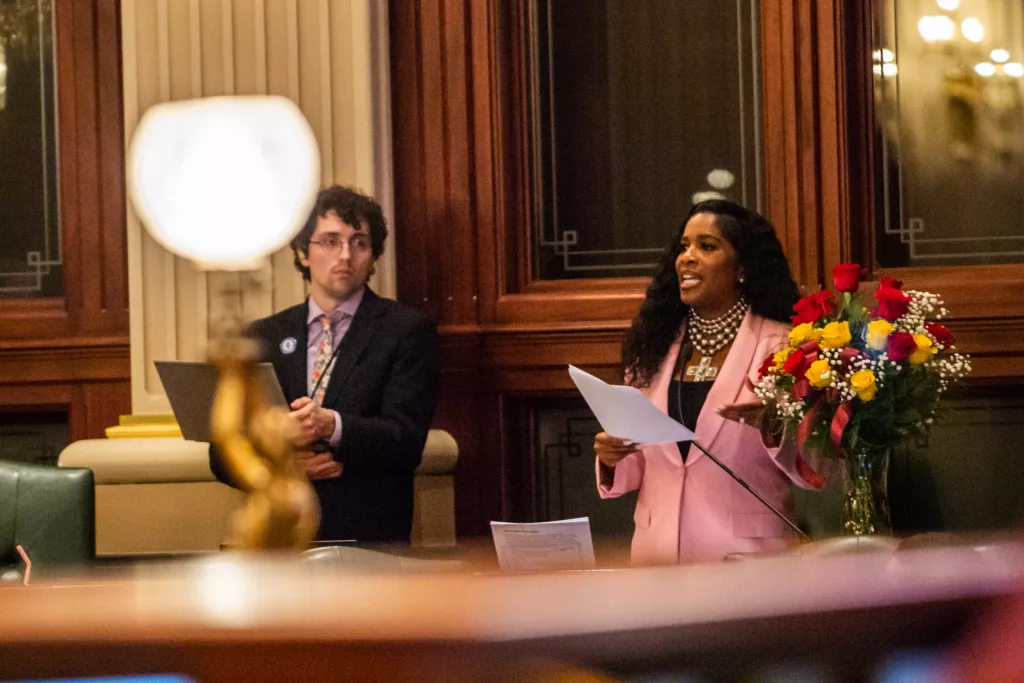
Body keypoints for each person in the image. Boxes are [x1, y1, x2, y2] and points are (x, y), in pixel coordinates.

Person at [594, 200, 826, 565]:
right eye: (683, 246)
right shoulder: (653, 347)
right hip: (658, 561)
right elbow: (639, 465)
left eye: (707, 246)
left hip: (748, 563)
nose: (687, 257)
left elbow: (816, 464)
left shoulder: (782, 345)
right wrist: (612, 458)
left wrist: (776, 426)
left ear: (743, 268)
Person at [210, 185, 440, 544]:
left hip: (368, 538)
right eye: (330, 241)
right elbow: (220, 455)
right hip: (277, 542)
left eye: (359, 242)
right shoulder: (262, 336)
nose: (346, 255)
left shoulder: (406, 331)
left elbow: (407, 442)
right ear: (303, 252)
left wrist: (333, 425)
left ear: (373, 256)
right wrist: (282, 466)